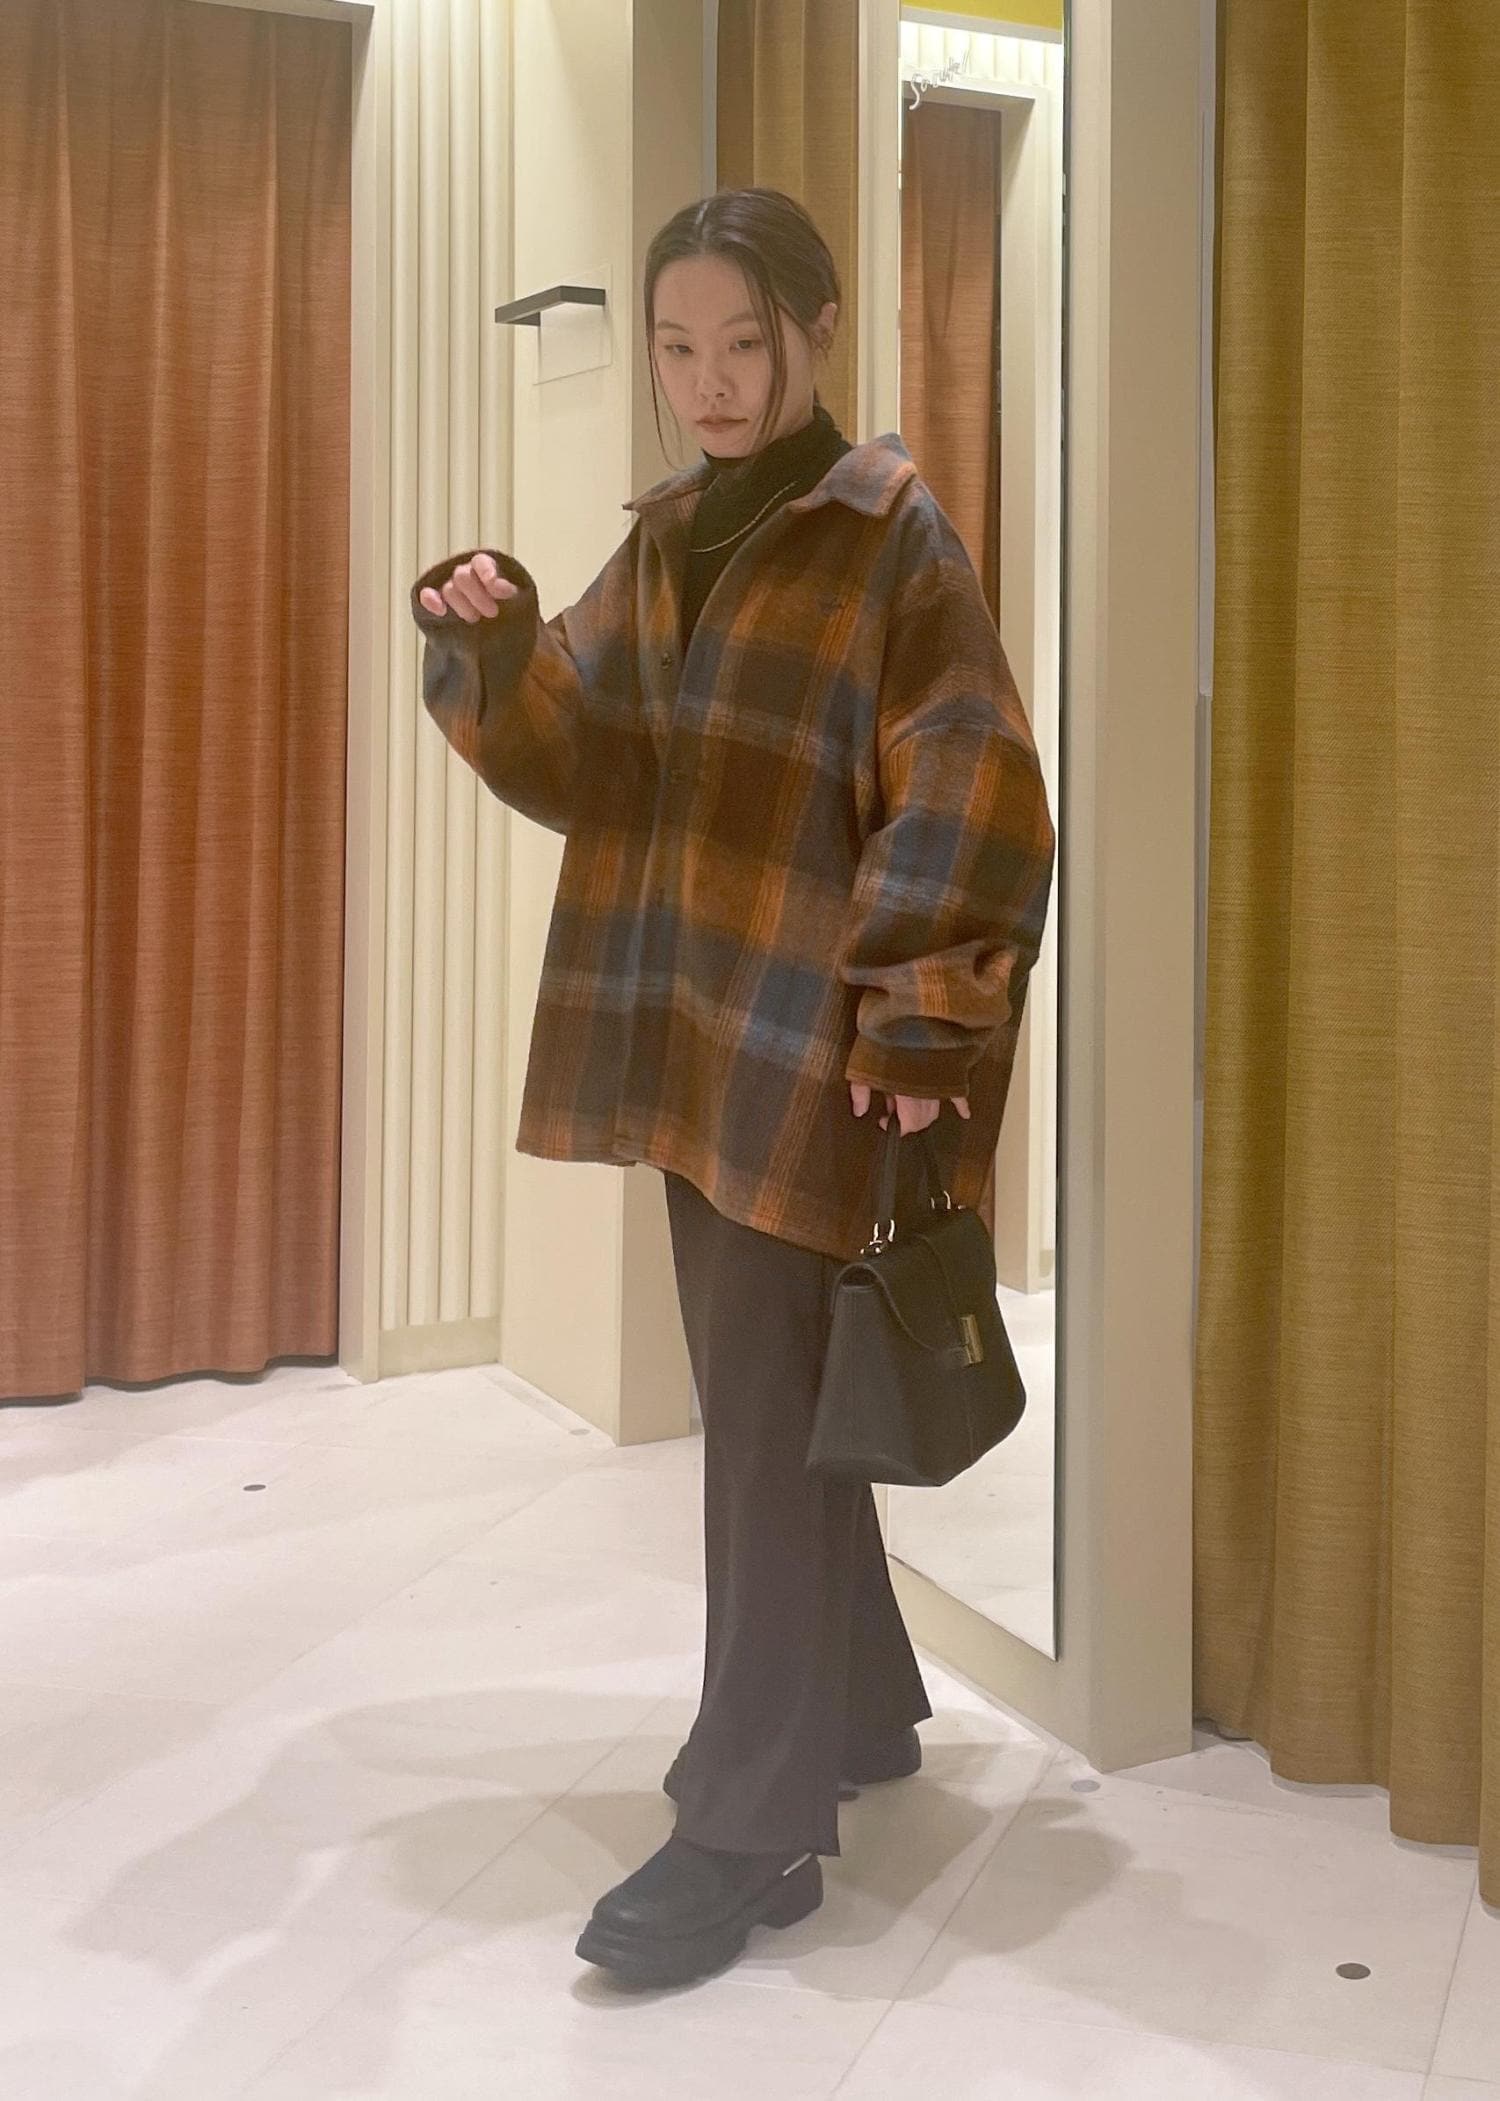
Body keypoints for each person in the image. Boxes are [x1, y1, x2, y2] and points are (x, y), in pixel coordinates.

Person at [412, 186, 1055, 1990]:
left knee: (760, 1429)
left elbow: (974, 779)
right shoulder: (675, 536)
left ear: (815, 335)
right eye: (678, 345)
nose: (707, 380)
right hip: (699, 1030)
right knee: (769, 1397)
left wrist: (919, 1029)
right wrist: (495, 641)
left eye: (744, 343)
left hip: (821, 1055)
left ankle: (750, 1819)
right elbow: (585, 757)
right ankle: (856, 1701)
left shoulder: (888, 532)